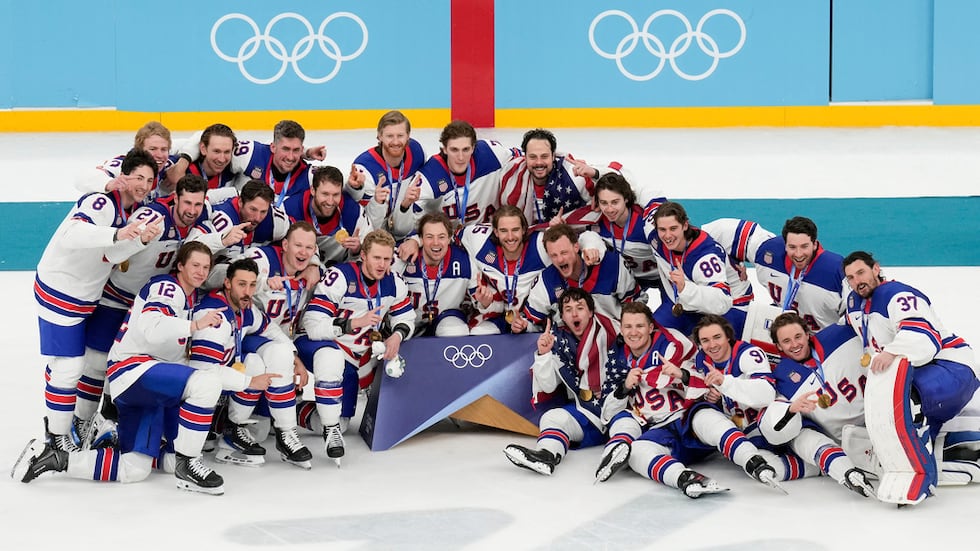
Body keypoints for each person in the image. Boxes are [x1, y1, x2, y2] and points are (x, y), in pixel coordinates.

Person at [13, 242, 275, 494]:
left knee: (136, 468)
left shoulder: (191, 297)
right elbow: (152, 328)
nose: (201, 272)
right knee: (205, 385)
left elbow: (196, 359)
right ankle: (188, 464)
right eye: (195, 265)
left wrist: (247, 382)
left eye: (205, 267)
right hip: (134, 369)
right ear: (180, 266)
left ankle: (56, 458)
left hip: (151, 385)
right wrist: (194, 326)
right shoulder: (167, 287)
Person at [35, 149, 164, 452]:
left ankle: (68, 423)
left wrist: (139, 240)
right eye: (138, 177)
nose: (143, 185)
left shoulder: (130, 211)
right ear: (124, 176)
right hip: (61, 290)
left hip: (84, 296)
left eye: (149, 180)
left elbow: (109, 255)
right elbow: (72, 234)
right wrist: (118, 234)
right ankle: (56, 438)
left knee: (79, 364)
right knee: (69, 367)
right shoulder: (103, 202)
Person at [72, 174, 209, 446]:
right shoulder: (153, 217)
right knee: (97, 364)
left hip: (148, 304)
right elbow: (113, 250)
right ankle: (81, 421)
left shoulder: (199, 223)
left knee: (130, 363)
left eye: (198, 204)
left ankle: (111, 420)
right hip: (116, 298)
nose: (192, 210)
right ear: (175, 199)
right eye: (187, 203)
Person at [596, 303, 779, 497]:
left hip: (689, 420)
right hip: (660, 429)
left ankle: (753, 461)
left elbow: (702, 381)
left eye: (639, 326)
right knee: (637, 451)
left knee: (705, 416)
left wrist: (681, 374)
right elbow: (607, 412)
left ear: (650, 327)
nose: (633, 332)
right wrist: (624, 387)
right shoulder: (616, 358)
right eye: (628, 326)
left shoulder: (673, 344)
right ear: (621, 328)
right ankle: (685, 478)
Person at [840, 251, 980, 503]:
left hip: (950, 366)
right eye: (850, 277)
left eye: (861, 273)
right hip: (919, 373)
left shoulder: (897, 295)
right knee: (900, 430)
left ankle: (920, 476)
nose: (857, 281)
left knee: (906, 401)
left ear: (876, 269)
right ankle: (962, 450)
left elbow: (924, 337)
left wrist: (893, 351)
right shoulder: (854, 302)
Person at [297, 230, 416, 464]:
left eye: (387, 259)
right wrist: (352, 323)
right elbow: (312, 324)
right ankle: (329, 429)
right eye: (377, 258)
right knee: (332, 359)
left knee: (343, 423)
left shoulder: (394, 282)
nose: (382, 265)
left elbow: (406, 317)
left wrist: (397, 336)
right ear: (363, 255)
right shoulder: (340, 276)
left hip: (354, 356)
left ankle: (289, 409)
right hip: (320, 343)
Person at [188, 258, 308, 468]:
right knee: (252, 367)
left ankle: (242, 430)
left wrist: (295, 359)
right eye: (241, 284)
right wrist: (250, 382)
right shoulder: (215, 316)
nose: (247, 292)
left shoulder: (244, 307)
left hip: (220, 376)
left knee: (271, 356)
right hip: (196, 387)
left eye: (252, 285)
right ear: (227, 283)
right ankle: (213, 430)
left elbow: (270, 329)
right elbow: (202, 371)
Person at [759, 313, 877, 497]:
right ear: (779, 346)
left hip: (879, 418)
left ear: (807, 334)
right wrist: (790, 410)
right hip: (843, 443)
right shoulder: (781, 379)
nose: (795, 344)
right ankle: (844, 470)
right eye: (786, 341)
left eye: (798, 336)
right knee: (799, 436)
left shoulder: (839, 336)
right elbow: (772, 430)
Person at [503, 288, 619, 475]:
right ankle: (546, 456)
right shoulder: (559, 341)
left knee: (627, 426)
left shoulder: (614, 330)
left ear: (591, 312)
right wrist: (544, 354)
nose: (574, 314)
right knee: (551, 418)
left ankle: (620, 448)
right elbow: (548, 386)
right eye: (568, 309)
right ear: (563, 317)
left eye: (580, 308)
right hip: (587, 412)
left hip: (619, 409)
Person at [703, 216, 847, 331]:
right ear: (785, 245)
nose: (798, 254)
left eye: (804, 246)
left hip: (823, 341)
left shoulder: (837, 270)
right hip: (783, 334)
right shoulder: (768, 253)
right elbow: (717, 234)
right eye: (792, 247)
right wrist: (732, 264)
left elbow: (855, 313)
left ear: (815, 244)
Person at [393, 120, 521, 236]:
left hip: (494, 235)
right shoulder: (429, 178)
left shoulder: (491, 153)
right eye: (454, 150)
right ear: (444, 149)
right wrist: (405, 207)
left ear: (473, 148)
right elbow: (403, 230)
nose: (460, 157)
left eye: (466, 149)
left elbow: (524, 159)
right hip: (448, 243)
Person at [651, 201, 752, 337]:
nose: (667, 235)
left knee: (713, 343)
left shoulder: (705, 258)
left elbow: (722, 301)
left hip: (732, 306)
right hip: (688, 304)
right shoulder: (653, 236)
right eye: (662, 230)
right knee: (651, 336)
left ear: (685, 225)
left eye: (673, 228)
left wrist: (685, 288)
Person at [560, 173, 663, 290]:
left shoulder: (645, 221)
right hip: (631, 278)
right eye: (604, 203)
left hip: (662, 274)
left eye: (615, 202)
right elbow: (584, 235)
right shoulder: (595, 220)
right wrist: (590, 246)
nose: (609, 209)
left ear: (626, 198)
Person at [523, 223, 639, 327]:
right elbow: (530, 322)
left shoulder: (612, 264)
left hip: (613, 338)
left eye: (564, 252)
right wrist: (523, 326)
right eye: (554, 255)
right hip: (570, 342)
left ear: (576, 247)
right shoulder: (546, 281)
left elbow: (636, 305)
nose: (560, 259)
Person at [497, 128, 621, 225]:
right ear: (525, 157)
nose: (539, 162)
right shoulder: (510, 176)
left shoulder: (573, 175)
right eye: (533, 157)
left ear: (553, 156)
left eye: (544, 156)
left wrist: (595, 176)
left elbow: (618, 181)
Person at [345, 110, 426, 236]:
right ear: (379, 136)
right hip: (374, 232)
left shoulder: (417, 153)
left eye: (400, 135)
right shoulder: (364, 168)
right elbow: (363, 223)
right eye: (389, 136)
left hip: (404, 226)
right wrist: (355, 188)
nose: (395, 142)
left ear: (408, 136)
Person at [394, 213, 477, 337]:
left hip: (444, 320)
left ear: (449, 238)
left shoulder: (464, 261)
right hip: (405, 322)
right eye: (429, 237)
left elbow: (479, 301)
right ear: (421, 239)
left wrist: (484, 302)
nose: (436, 243)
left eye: (441, 237)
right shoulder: (404, 255)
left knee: (455, 331)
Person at [282, 165, 372, 265]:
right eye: (325, 194)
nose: (330, 201)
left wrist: (357, 250)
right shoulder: (289, 209)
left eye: (336, 195)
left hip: (339, 271)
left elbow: (370, 256)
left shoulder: (353, 212)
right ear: (313, 190)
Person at [188, 179, 288, 260]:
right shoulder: (223, 220)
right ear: (240, 202)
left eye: (263, 212)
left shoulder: (275, 221)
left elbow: (295, 236)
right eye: (253, 209)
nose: (257, 218)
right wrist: (222, 240)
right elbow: (189, 248)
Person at [75, 121, 176, 202]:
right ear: (139, 149)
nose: (159, 155)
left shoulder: (165, 164)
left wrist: (183, 160)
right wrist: (109, 183)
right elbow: (82, 179)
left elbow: (185, 144)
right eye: (153, 149)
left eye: (164, 149)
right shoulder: (123, 166)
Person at [164, 123, 239, 201]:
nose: (222, 159)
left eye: (227, 152)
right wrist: (184, 160)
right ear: (203, 149)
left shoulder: (235, 170)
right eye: (216, 151)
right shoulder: (180, 165)